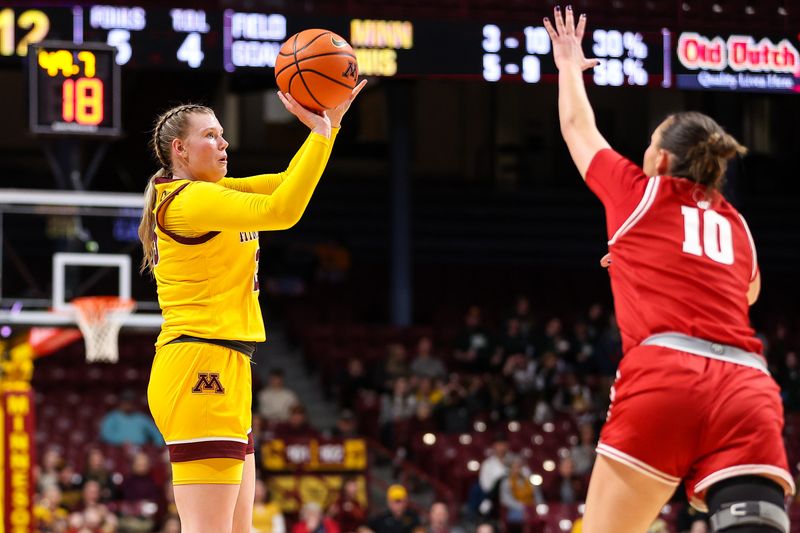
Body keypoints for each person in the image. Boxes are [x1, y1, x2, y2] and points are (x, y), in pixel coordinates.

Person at [544, 6, 792, 532]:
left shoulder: (641, 192)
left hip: (666, 377)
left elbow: (576, 126)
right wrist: (643, 260)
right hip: (746, 389)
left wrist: (567, 64)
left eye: (650, 141)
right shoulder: (738, 224)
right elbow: (743, 295)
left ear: (660, 160)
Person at [139, 80, 367, 533]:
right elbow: (283, 210)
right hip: (200, 365)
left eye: (222, 134)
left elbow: (285, 184)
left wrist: (330, 128)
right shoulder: (193, 201)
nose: (224, 143)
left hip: (222, 364)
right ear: (180, 149)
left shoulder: (209, 195)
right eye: (211, 136)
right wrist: (320, 134)